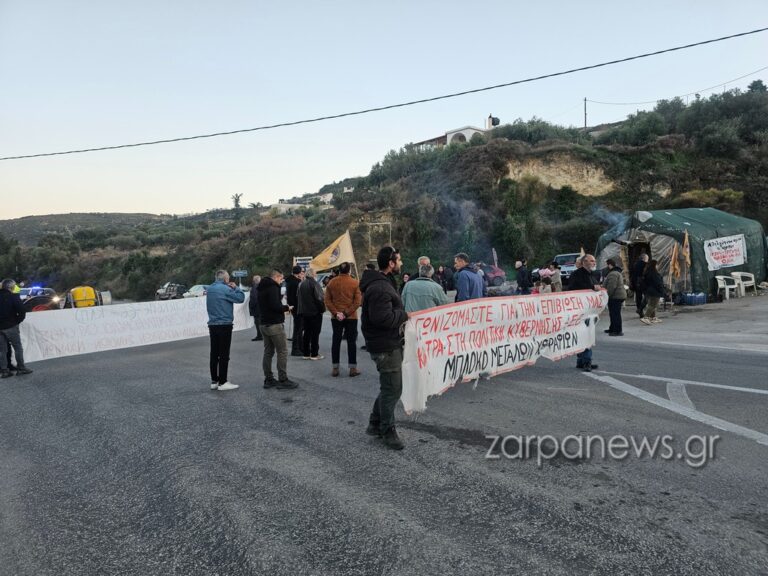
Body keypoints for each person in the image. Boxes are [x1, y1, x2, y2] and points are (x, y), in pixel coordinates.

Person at [360, 246, 410, 450]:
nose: (400, 263)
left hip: (386, 343)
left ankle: (374, 423)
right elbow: (383, 318)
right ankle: (387, 430)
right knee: (392, 388)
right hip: (385, 345)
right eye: (398, 260)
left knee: (389, 387)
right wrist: (405, 315)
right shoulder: (380, 287)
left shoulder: (383, 282)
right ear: (390, 263)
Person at [257, 269, 298, 389]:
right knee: (282, 351)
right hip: (274, 324)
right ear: (276, 277)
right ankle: (283, 379)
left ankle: (268, 379)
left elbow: (267, 305)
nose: (282, 281)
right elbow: (275, 306)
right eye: (281, 278)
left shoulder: (261, 287)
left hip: (263, 323)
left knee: (268, 352)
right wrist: (286, 308)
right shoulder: (273, 287)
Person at [206, 270, 245, 391]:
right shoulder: (225, 289)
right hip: (224, 324)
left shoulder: (210, 289)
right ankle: (223, 382)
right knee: (224, 354)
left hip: (212, 324)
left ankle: (214, 381)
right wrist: (236, 288)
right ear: (225, 279)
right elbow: (240, 298)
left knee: (214, 354)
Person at [324, 262, 362, 377]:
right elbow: (357, 302)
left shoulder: (331, 282)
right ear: (349, 271)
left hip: (336, 318)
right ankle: (352, 368)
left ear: (339, 271)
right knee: (351, 342)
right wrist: (345, 313)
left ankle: (335, 368)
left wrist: (336, 313)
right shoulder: (355, 283)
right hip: (351, 317)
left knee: (336, 341)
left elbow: (327, 301)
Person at [567, 254, 601, 372]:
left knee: (585, 335)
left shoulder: (592, 275)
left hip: (589, 311)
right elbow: (573, 290)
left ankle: (581, 361)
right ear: (584, 262)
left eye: (594, 261)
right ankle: (586, 361)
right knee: (585, 336)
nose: (594, 263)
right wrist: (592, 287)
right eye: (592, 261)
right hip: (580, 312)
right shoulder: (576, 275)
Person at [0, 279, 32, 378]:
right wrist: (16, 321)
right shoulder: (13, 296)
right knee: (18, 348)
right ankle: (21, 368)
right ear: (12, 287)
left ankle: (4, 371)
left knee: (2, 350)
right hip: (11, 326)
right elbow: (22, 311)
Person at [298, 268, 325, 360]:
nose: (316, 275)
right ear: (313, 274)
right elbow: (319, 298)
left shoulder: (302, 284)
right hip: (315, 312)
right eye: (315, 273)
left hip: (305, 312)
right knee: (315, 333)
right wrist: (322, 309)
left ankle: (306, 353)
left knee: (307, 333)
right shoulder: (315, 284)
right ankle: (314, 353)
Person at [603, 259, 627, 336]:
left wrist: (607, 295)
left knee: (615, 314)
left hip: (615, 296)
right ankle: (612, 328)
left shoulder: (613, 274)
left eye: (606, 265)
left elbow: (611, 286)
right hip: (618, 295)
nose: (605, 267)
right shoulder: (616, 272)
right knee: (613, 313)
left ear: (610, 265)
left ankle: (617, 330)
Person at [285, 266, 304, 356]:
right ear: (299, 273)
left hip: (292, 306)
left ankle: (300, 347)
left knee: (298, 327)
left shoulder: (289, 281)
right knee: (298, 329)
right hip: (298, 307)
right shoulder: (297, 282)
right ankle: (296, 349)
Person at [641, 259, 665, 325]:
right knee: (653, 305)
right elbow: (658, 283)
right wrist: (662, 291)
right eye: (657, 265)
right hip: (655, 291)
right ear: (654, 265)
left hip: (649, 291)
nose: (658, 266)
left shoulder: (647, 272)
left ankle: (653, 317)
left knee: (652, 304)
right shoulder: (654, 273)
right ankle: (646, 317)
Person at [249, 275, 263, 341]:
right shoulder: (262, 287)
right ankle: (261, 335)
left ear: (254, 280)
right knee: (260, 322)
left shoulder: (254, 287)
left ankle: (259, 335)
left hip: (256, 308)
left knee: (257, 322)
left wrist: (251, 306)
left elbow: (254, 298)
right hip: (261, 307)